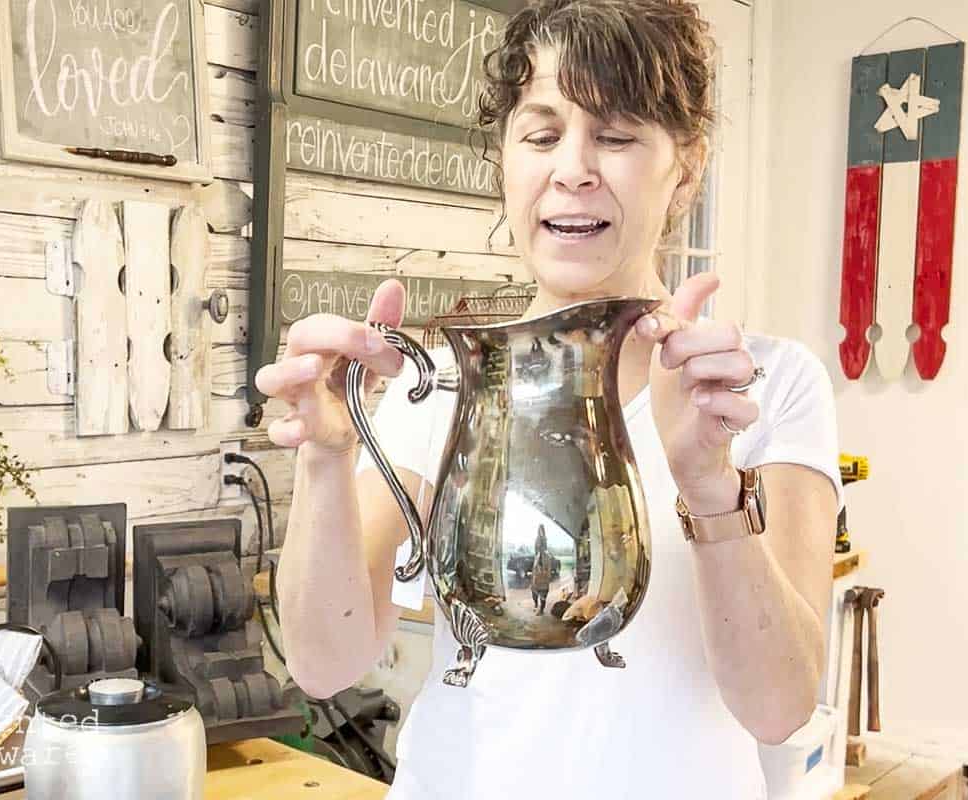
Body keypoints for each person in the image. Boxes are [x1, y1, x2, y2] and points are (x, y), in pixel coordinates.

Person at [254, 0, 842, 796]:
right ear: (505, 159)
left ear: (688, 165)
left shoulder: (762, 385)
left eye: (617, 134)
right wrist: (327, 458)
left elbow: (779, 709)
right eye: (541, 134)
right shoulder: (443, 383)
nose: (573, 168)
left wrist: (709, 488)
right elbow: (325, 663)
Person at [530, 525, 555, 614]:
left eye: (542, 531)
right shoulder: (536, 557)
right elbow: (534, 568)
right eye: (537, 544)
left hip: (544, 576)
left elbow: (548, 569)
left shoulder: (547, 556)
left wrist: (547, 574)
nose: (538, 545)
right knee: (534, 591)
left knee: (544, 591)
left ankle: (541, 609)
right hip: (537, 575)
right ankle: (536, 605)